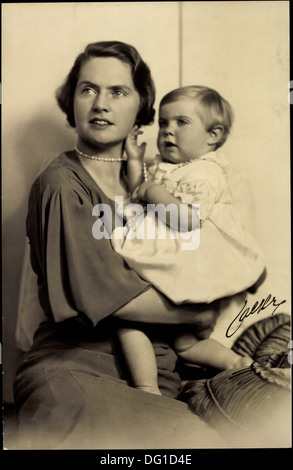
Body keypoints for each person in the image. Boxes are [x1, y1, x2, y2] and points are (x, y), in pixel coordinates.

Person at [13, 41, 224, 450]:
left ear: (142, 104)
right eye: (87, 89)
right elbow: (104, 295)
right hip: (76, 366)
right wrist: (196, 312)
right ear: (71, 101)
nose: (100, 104)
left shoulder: (156, 181)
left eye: (118, 92)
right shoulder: (61, 183)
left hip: (160, 374)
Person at [111, 85, 266, 395]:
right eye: (164, 123)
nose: (168, 131)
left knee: (132, 323)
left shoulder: (205, 174)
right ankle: (231, 363)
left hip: (189, 267)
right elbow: (138, 188)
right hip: (175, 267)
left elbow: (184, 219)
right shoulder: (170, 167)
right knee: (183, 343)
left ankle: (150, 384)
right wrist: (134, 160)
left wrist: (153, 192)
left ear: (213, 135)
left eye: (181, 122)